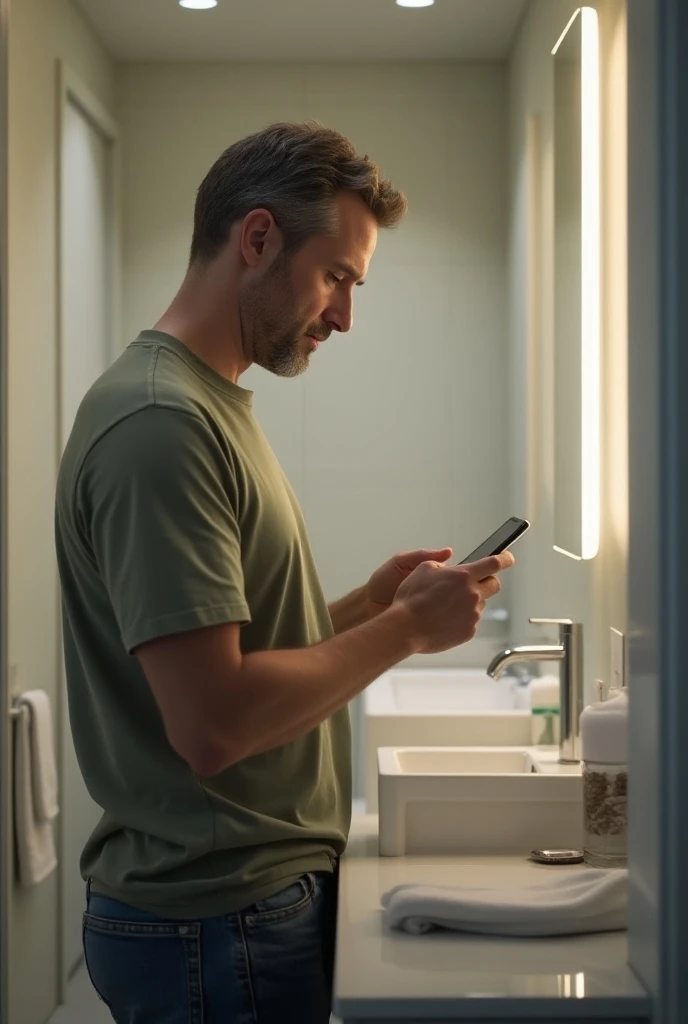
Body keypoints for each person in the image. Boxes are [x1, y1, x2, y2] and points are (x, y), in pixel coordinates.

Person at [55, 121, 514, 1024]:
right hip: (218, 922)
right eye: (337, 277)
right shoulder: (163, 424)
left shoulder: (206, 403)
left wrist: (363, 611)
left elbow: (236, 655)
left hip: (235, 911)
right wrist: (406, 631)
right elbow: (214, 725)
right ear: (257, 238)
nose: (345, 314)